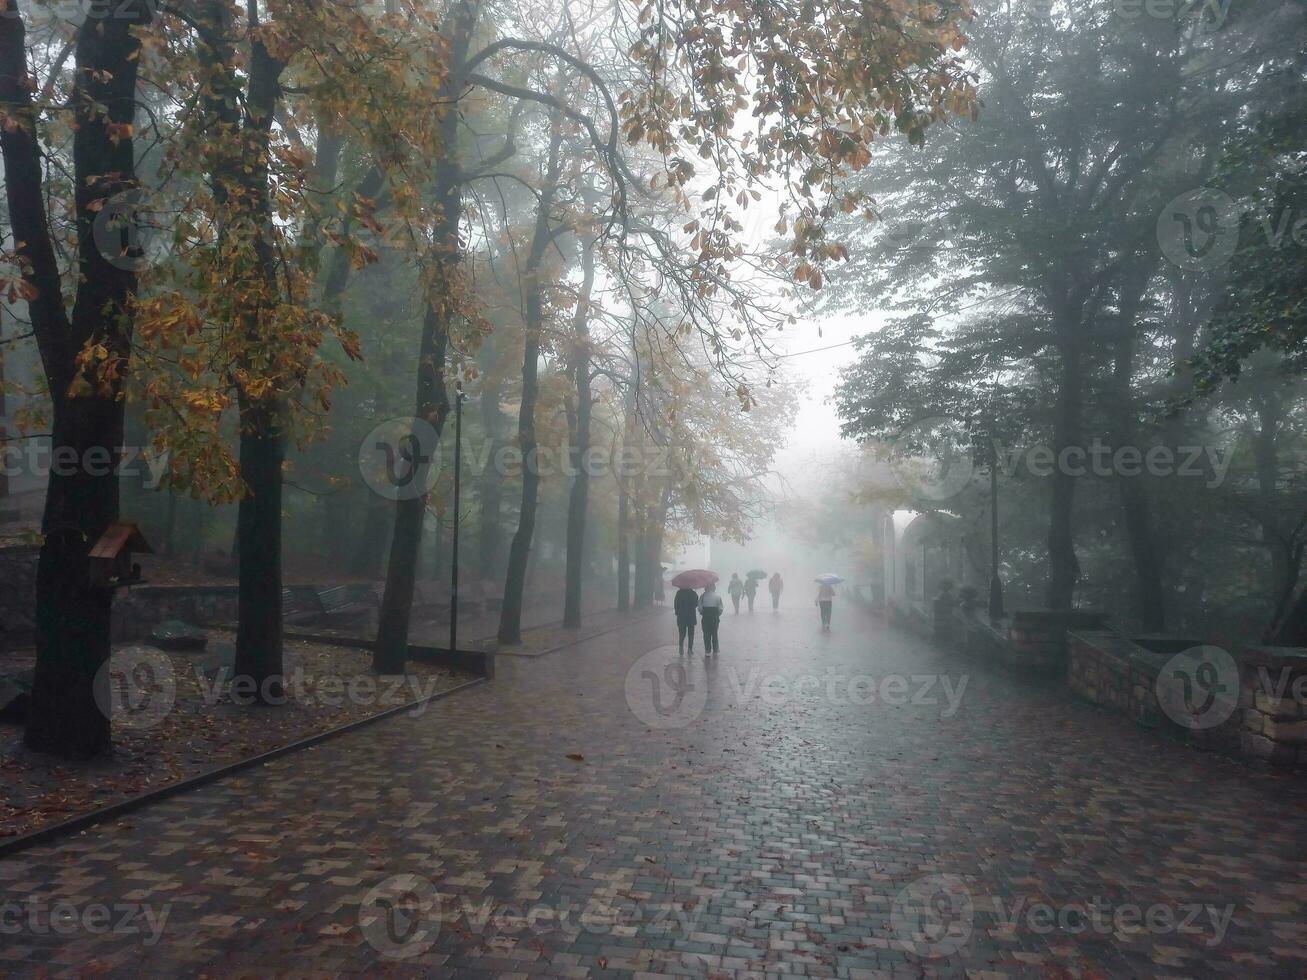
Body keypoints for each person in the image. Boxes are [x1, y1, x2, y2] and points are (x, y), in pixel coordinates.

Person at [699, 583, 723, 655]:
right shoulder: (718, 596)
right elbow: (720, 608)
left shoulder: (702, 596)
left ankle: (707, 650)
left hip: (706, 616)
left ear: (705, 588)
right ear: (714, 588)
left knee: (706, 633)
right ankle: (715, 649)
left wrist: (702, 613)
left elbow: (700, 607)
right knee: (714, 633)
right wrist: (718, 614)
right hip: (715, 616)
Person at [674, 585, 699, 654]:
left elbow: (676, 604)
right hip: (691, 617)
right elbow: (696, 604)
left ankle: (681, 648)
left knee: (682, 633)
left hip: (681, 616)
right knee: (691, 634)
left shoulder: (679, 593)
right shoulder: (693, 593)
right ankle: (690, 649)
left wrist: (677, 612)